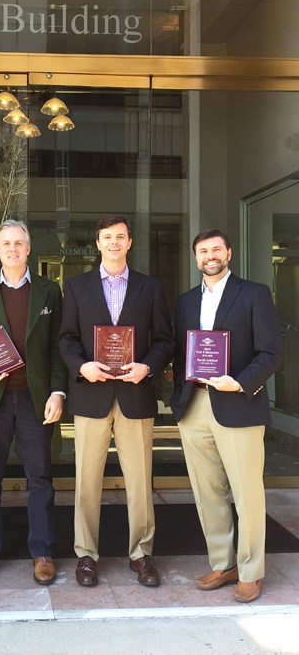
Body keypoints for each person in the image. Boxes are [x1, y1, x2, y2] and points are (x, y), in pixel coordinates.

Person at [59, 215, 173, 588]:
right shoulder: (76, 286)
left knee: (139, 479)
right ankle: (86, 555)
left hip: (135, 395)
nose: (113, 242)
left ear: (129, 242)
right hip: (90, 394)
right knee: (86, 481)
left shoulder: (150, 287)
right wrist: (81, 366)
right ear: (97, 243)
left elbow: (165, 340)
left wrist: (148, 367)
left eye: (120, 236)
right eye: (107, 236)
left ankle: (141, 554)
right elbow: (66, 338)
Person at [170, 229, 283, 603]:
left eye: (216, 249)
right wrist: (178, 396)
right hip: (195, 405)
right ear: (196, 258)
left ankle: (250, 571)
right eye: (203, 251)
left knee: (247, 492)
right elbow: (180, 353)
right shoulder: (185, 301)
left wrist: (239, 382)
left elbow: (271, 352)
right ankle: (223, 563)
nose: (210, 256)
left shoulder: (254, 293)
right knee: (208, 492)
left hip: (238, 402)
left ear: (229, 253)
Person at [0, 220, 67, 585]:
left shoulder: (49, 291)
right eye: (6, 243)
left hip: (35, 400)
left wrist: (58, 391)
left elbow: (57, 347)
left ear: (28, 248)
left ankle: (42, 551)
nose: (12, 249)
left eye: (18, 243)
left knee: (40, 478)